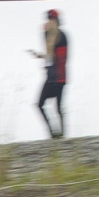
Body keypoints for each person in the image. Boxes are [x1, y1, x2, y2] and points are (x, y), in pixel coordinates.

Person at [31, 9, 68, 138]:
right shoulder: (55, 36)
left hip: (57, 78)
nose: (48, 22)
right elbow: (50, 55)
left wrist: (45, 33)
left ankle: (59, 134)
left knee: (51, 106)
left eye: (50, 20)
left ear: (56, 21)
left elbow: (57, 58)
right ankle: (55, 133)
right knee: (46, 106)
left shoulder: (60, 36)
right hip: (56, 77)